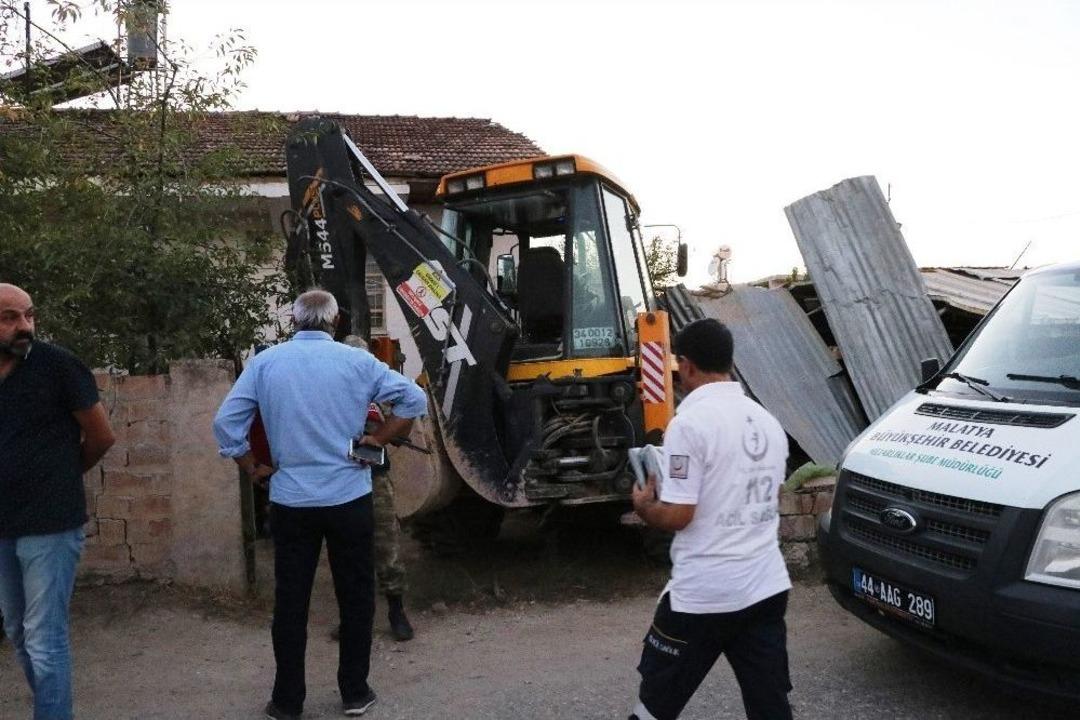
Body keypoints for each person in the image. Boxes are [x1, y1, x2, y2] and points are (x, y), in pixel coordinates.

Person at [213, 289, 427, 720]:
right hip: (349, 497)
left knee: (290, 602)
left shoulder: (265, 364)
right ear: (335, 322)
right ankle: (355, 692)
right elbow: (414, 401)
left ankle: (287, 701)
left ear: (294, 321)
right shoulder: (358, 362)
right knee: (355, 595)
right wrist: (379, 438)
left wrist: (252, 467)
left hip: (291, 500)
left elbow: (226, 424)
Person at [629, 318, 793, 720]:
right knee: (770, 707)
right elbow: (771, 497)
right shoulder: (768, 423)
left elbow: (681, 514)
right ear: (728, 362)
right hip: (766, 589)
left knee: (655, 707)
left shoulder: (688, 425)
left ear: (685, 366)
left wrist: (645, 507)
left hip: (703, 598)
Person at [0, 283, 116, 720]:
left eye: (28, 315)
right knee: (16, 630)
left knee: (44, 637)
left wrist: (60, 478)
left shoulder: (58, 366)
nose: (23, 326)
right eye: (10, 317)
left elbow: (101, 436)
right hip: (3, 525)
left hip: (52, 524)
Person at [340, 335, 414, 643]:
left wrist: (384, 433)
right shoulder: (333, 391)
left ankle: (396, 611)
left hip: (375, 476)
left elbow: (406, 417)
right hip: (341, 478)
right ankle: (353, 620)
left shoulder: (381, 390)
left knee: (386, 546)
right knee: (347, 552)